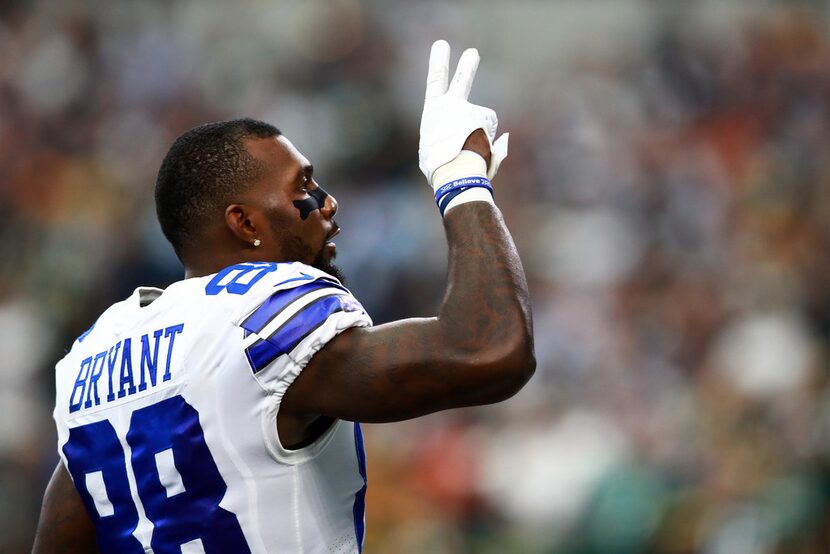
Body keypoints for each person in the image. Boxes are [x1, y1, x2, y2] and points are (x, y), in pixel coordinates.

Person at [33, 40, 535, 554]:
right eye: (304, 185)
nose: (327, 202)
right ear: (244, 222)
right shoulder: (261, 311)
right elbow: (491, 350)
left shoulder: (94, 356)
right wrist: (462, 181)